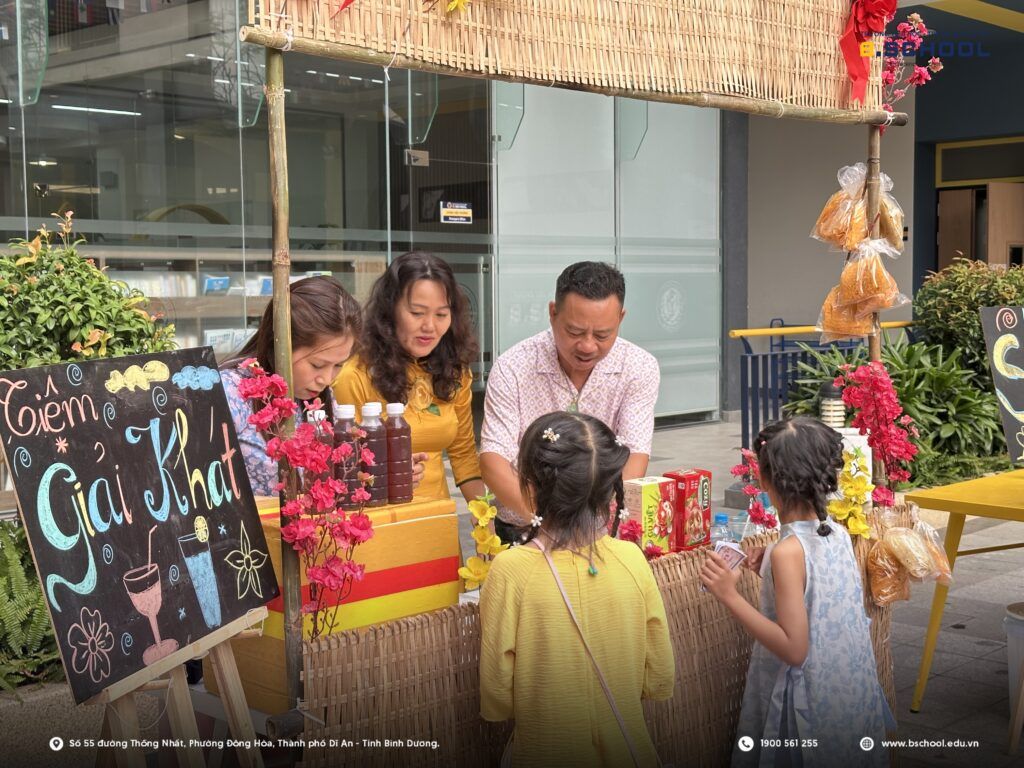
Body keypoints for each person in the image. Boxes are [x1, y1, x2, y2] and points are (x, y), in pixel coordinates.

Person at [479, 411, 674, 768]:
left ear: (530, 485)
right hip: (628, 748)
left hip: (543, 751)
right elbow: (659, 673)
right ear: (610, 489)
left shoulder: (510, 570)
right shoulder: (632, 558)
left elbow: (497, 692)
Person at [700, 417, 894, 768]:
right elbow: (821, 596)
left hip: (810, 700)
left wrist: (730, 595)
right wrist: (769, 570)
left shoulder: (788, 551)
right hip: (846, 687)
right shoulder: (833, 532)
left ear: (764, 479)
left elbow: (794, 649)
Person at [480, 261, 659, 541]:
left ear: (620, 319)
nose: (588, 346)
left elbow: (634, 453)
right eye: (574, 332)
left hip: (599, 534)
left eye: (602, 335)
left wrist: (596, 524)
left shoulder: (639, 367)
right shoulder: (512, 367)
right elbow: (493, 459)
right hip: (523, 529)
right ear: (553, 313)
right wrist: (547, 523)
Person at [333, 252, 484, 503]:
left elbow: (464, 454)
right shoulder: (355, 375)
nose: (430, 326)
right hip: (377, 521)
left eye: (441, 314)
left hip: (439, 519)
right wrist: (388, 472)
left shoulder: (454, 370)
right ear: (390, 309)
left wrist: (485, 524)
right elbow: (344, 467)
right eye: (417, 313)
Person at [220, 276, 364, 496]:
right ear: (280, 344)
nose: (326, 379)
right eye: (317, 365)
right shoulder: (229, 393)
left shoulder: (318, 398)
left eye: (338, 365)